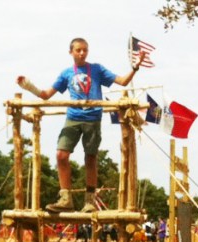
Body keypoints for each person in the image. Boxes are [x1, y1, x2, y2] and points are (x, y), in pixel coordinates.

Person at [17, 38, 146, 213]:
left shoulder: (97, 69)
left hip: (92, 117)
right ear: (71, 52)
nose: (82, 53)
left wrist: (135, 67)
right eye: (78, 50)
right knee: (61, 155)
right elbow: (46, 95)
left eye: (85, 50)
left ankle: (90, 201)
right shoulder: (67, 74)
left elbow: (122, 81)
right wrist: (29, 86)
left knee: (90, 157)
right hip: (73, 117)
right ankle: (65, 199)